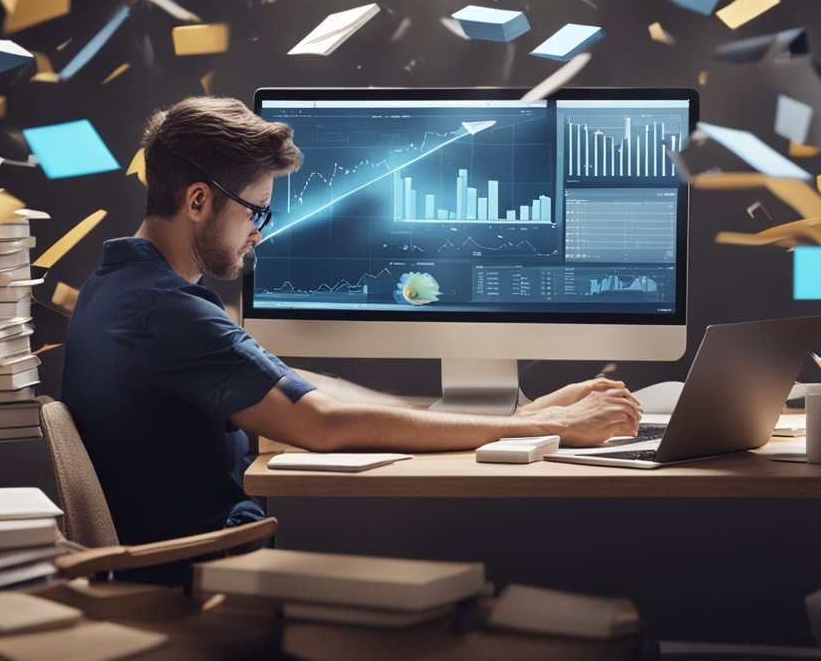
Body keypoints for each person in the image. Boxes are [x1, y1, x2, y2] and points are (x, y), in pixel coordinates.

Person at [62, 96, 641, 584]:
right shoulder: (171, 312)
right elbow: (323, 424)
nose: (259, 235)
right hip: (207, 580)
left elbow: (301, 391)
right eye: (256, 213)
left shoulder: (114, 286)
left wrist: (524, 414)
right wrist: (548, 428)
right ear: (197, 200)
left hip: (176, 567)